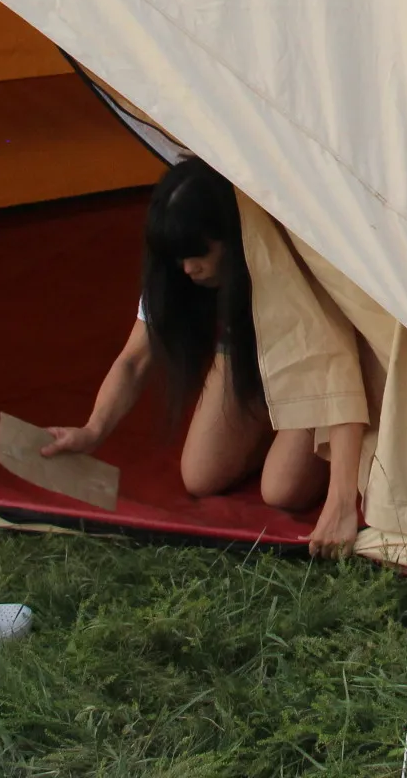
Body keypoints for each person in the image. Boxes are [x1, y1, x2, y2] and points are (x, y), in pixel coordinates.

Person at [41, 158, 366, 556]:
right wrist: (93, 430)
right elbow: (133, 360)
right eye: (177, 256)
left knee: (283, 490)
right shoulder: (177, 275)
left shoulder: (281, 253)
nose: (188, 268)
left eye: (198, 252)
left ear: (231, 235)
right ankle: (273, 420)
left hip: (312, 363)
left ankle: (296, 425)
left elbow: (336, 365)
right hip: (249, 355)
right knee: (200, 475)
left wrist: (340, 501)